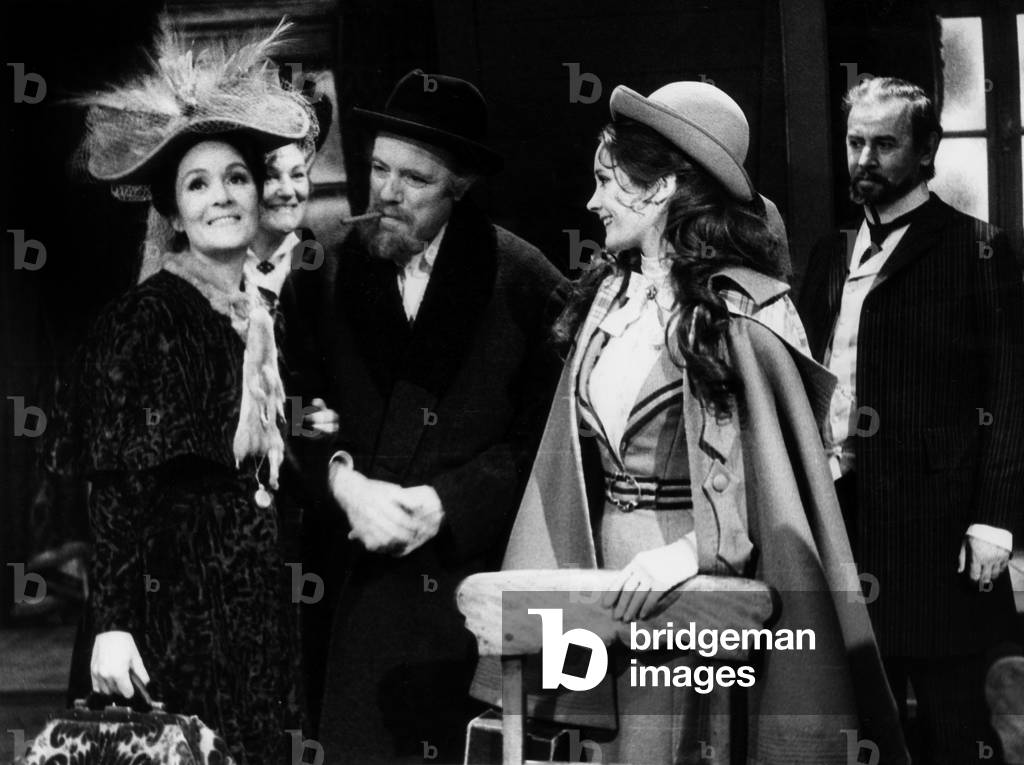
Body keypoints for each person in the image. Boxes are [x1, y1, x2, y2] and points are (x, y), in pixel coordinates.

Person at [484, 81, 909, 764]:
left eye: (606, 180)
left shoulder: (745, 309)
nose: (592, 202)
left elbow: (795, 464)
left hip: (701, 584)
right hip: (601, 581)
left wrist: (690, 555)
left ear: (661, 188)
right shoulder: (605, 300)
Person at [281, 69, 567, 763]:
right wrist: (344, 481)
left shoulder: (527, 283)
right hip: (351, 588)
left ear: (462, 184)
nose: (387, 191)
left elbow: (543, 444)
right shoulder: (321, 270)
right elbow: (292, 410)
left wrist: (444, 503)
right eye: (379, 168)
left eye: (416, 178)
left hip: (469, 588)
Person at [50, 22, 312, 764]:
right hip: (175, 613)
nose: (222, 197)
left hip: (255, 608)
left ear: (259, 191)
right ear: (172, 212)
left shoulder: (261, 315)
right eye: (198, 185)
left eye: (235, 178)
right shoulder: (143, 318)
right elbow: (113, 481)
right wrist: (113, 619)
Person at [798, 76, 1024, 763]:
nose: (864, 158)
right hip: (844, 515)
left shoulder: (978, 249)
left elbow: (1012, 392)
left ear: (927, 152)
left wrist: (995, 519)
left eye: (885, 144)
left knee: (953, 723)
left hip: (937, 524)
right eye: (854, 141)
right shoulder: (829, 255)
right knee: (864, 716)